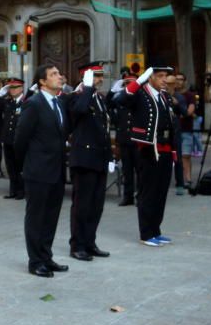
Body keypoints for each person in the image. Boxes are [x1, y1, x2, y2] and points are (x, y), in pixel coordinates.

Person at [14, 63, 69, 277]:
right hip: (37, 171)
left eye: (58, 73)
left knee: (51, 216)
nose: (59, 76)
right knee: (36, 218)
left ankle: (47, 257)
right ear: (43, 81)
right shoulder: (34, 104)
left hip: (56, 170)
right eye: (54, 74)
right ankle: (35, 261)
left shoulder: (59, 102)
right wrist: (25, 166)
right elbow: (20, 139)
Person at [115, 65, 177, 247]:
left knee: (161, 193)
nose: (165, 79)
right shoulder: (141, 94)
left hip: (165, 149)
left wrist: (174, 152)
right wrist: (138, 81)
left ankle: (156, 230)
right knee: (147, 192)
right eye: (160, 76)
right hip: (148, 149)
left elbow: (172, 125)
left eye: (166, 76)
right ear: (150, 78)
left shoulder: (164, 96)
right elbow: (121, 99)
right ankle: (146, 233)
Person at [67, 64, 111, 261]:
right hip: (83, 159)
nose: (100, 80)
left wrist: (109, 156)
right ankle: (77, 245)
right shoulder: (77, 96)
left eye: (101, 76)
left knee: (96, 205)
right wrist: (86, 88)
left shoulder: (98, 98)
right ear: (86, 77)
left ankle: (90, 242)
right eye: (96, 76)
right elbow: (79, 112)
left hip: (98, 158)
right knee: (82, 205)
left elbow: (104, 130)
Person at [109, 71, 137, 206]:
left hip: (138, 140)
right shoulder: (120, 98)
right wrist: (114, 89)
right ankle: (128, 196)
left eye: (131, 83)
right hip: (124, 139)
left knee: (140, 170)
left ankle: (140, 196)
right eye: (126, 83)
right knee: (127, 170)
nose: (128, 85)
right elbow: (108, 103)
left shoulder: (140, 97)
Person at [0, 78, 26, 200]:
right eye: (10, 88)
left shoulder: (26, 102)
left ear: (21, 88)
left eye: (15, 88)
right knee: (10, 167)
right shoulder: (8, 102)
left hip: (19, 140)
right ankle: (13, 191)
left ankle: (21, 191)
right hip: (8, 140)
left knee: (20, 167)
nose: (12, 90)